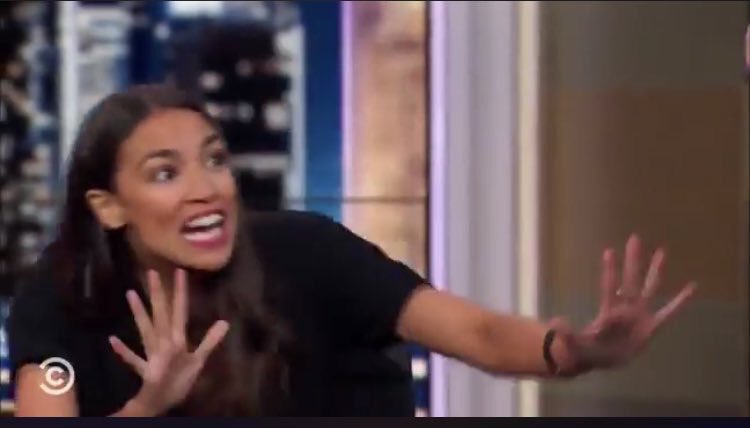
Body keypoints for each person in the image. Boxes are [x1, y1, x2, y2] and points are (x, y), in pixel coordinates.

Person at [7, 84, 696, 417]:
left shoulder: (307, 251)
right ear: (108, 206)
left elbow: (477, 332)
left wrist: (575, 351)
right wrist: (146, 408)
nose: (206, 189)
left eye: (214, 160)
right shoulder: (60, 299)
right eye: (165, 174)